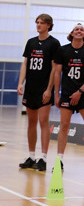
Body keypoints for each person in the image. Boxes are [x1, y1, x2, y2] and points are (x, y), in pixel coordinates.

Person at [17, 13, 61, 172]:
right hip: (31, 88)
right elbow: (25, 64)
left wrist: (49, 89)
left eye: (41, 23)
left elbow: (55, 68)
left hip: (44, 89)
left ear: (48, 25)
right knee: (31, 123)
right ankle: (31, 156)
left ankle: (43, 157)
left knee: (43, 122)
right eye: (37, 22)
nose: (38, 25)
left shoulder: (54, 43)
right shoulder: (31, 42)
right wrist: (20, 83)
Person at [52, 23, 84, 170]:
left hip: (82, 94)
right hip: (66, 94)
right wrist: (57, 94)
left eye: (82, 30)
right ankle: (59, 159)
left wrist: (80, 91)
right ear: (71, 33)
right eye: (77, 29)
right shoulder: (62, 50)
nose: (79, 31)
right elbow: (57, 73)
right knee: (64, 127)